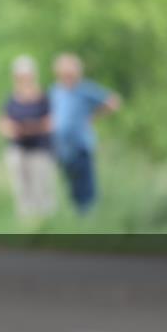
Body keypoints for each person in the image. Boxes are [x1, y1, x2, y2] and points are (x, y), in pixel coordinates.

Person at [49, 54, 120, 213]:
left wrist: (93, 116)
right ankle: (76, 216)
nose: (67, 76)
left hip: (81, 145)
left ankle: (88, 217)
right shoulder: (55, 90)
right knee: (70, 185)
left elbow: (113, 101)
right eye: (64, 72)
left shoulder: (85, 89)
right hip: (61, 147)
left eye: (70, 72)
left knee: (85, 185)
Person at [0, 56, 56, 220]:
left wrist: (29, 128)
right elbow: (2, 122)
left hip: (40, 149)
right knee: (21, 188)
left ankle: (46, 223)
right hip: (17, 148)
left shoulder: (44, 97)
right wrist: (10, 129)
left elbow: (52, 123)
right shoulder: (11, 98)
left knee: (41, 187)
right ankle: (27, 223)